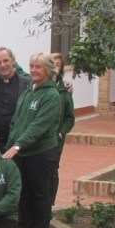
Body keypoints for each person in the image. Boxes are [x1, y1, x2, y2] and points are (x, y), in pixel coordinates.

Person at [3, 53, 63, 228]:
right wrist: (12, 143)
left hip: (41, 153)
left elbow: (39, 126)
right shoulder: (29, 91)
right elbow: (17, 121)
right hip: (21, 153)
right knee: (24, 194)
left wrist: (18, 145)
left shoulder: (51, 95)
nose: (34, 70)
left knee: (40, 194)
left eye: (39, 66)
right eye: (32, 66)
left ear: (48, 69)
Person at [0, 48, 33, 151]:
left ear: (13, 60)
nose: (3, 65)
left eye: (5, 60)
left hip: (20, 143)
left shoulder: (28, 84)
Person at [50, 53, 75, 206]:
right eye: (51, 63)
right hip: (39, 139)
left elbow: (70, 118)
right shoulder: (35, 86)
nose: (54, 67)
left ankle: (50, 203)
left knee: (52, 170)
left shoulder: (65, 90)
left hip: (56, 140)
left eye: (57, 64)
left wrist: (61, 132)